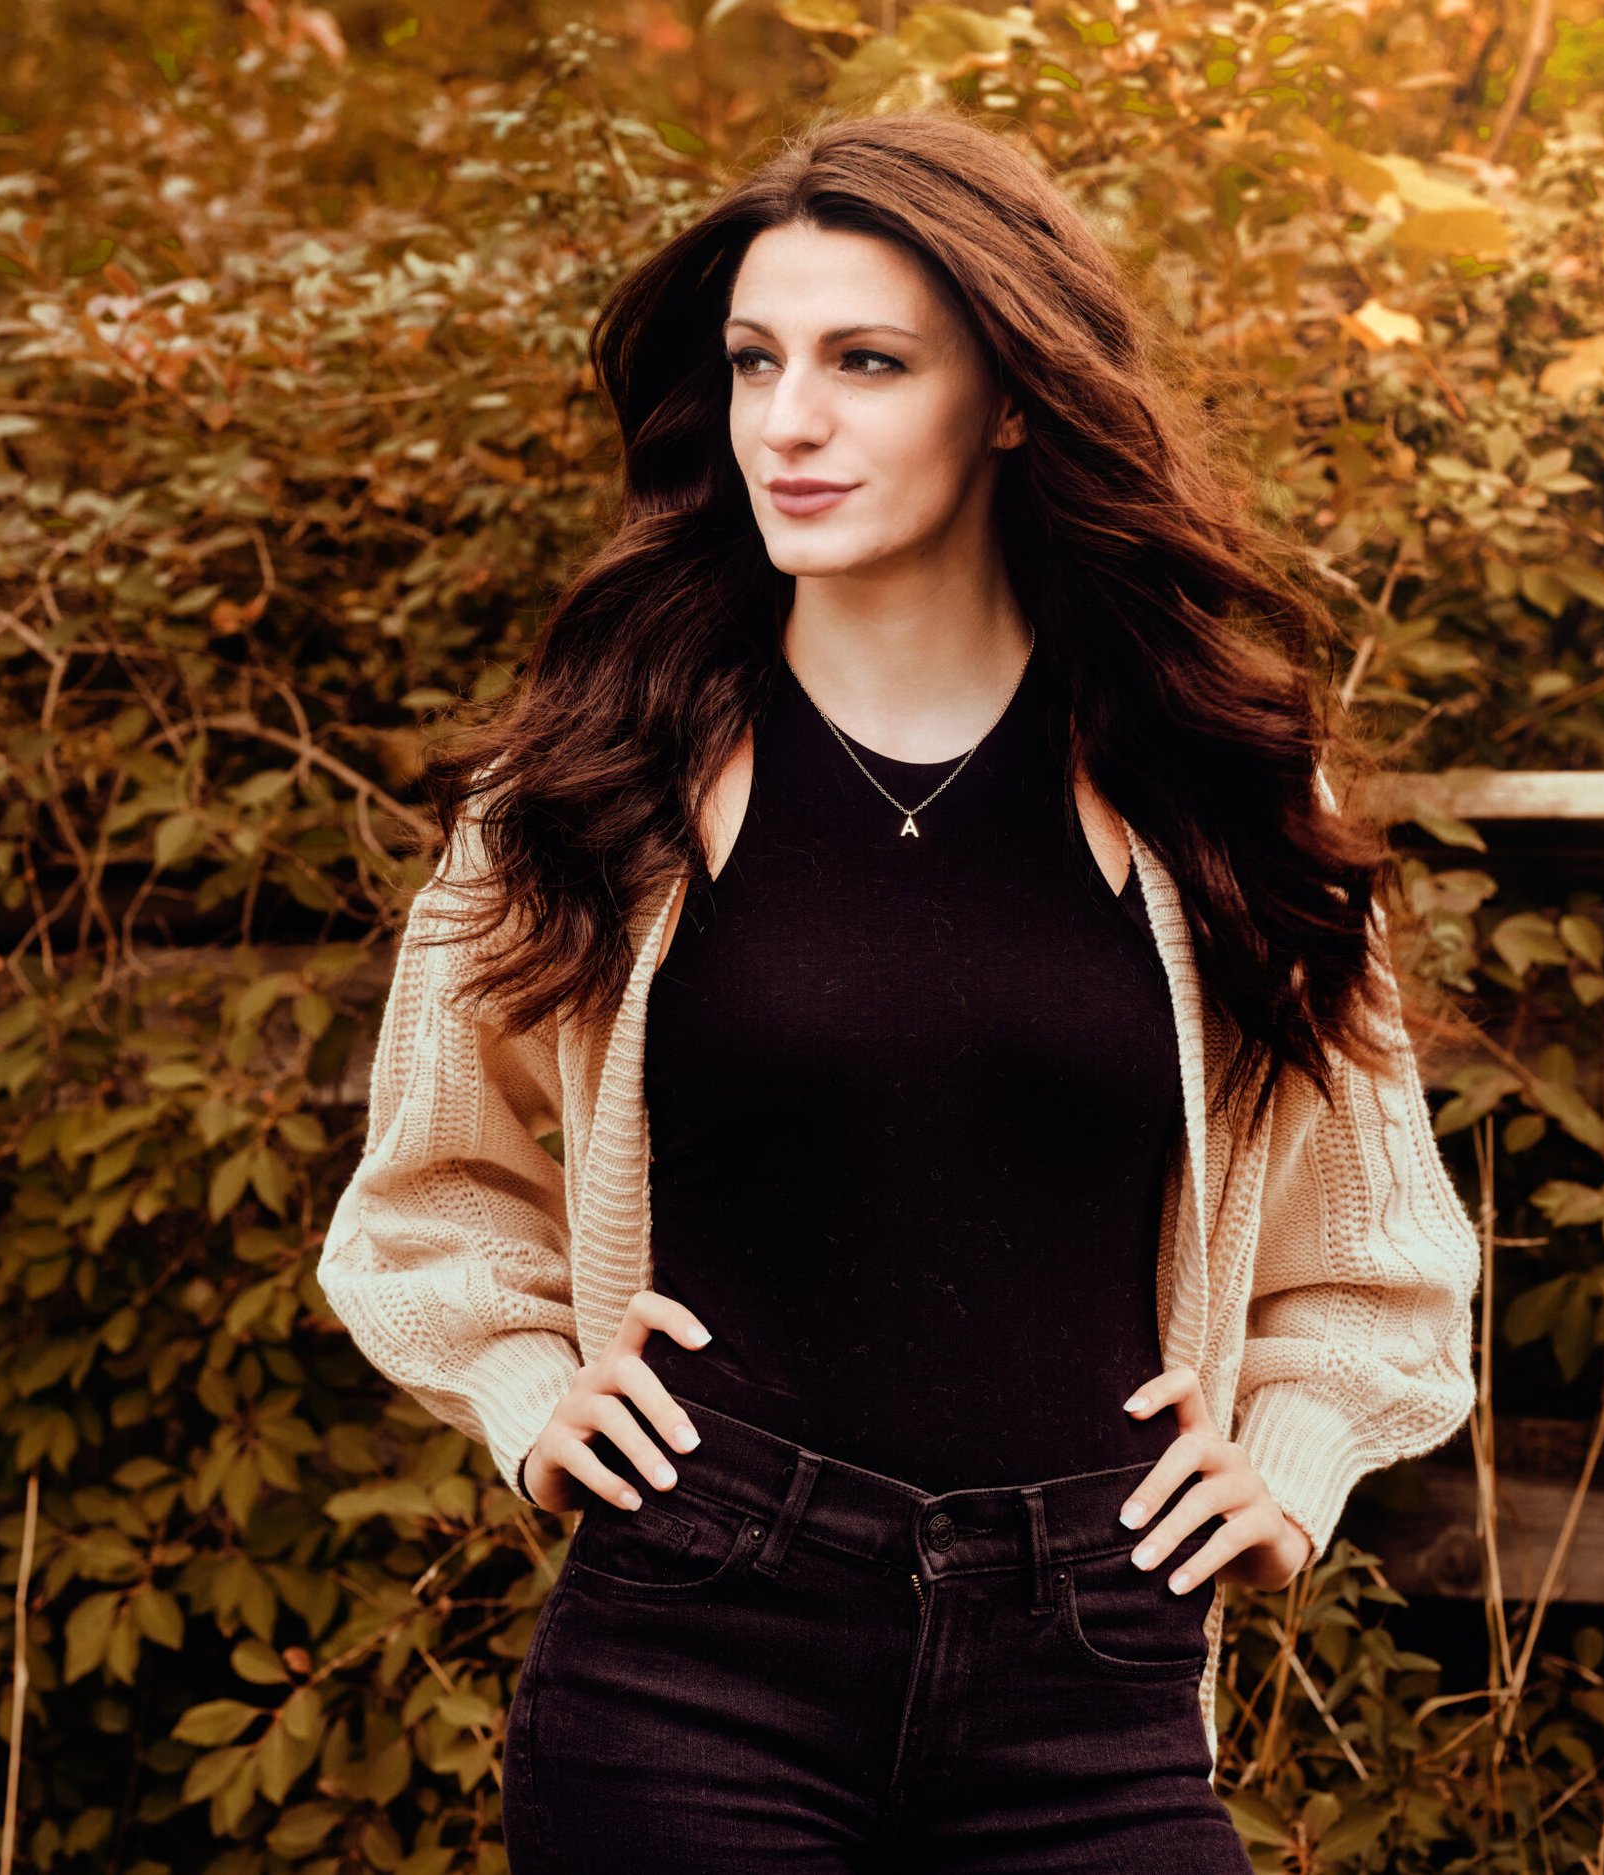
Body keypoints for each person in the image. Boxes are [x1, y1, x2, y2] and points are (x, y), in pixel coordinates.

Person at [316, 108, 1481, 1873]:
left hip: (1099, 1664)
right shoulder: (597, 785)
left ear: (1010, 395)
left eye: (867, 363)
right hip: (698, 1653)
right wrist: (527, 1390)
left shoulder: (1214, 791)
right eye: (754, 362)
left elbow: (1375, 1265)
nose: (788, 421)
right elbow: (427, 1199)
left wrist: (1295, 1463)